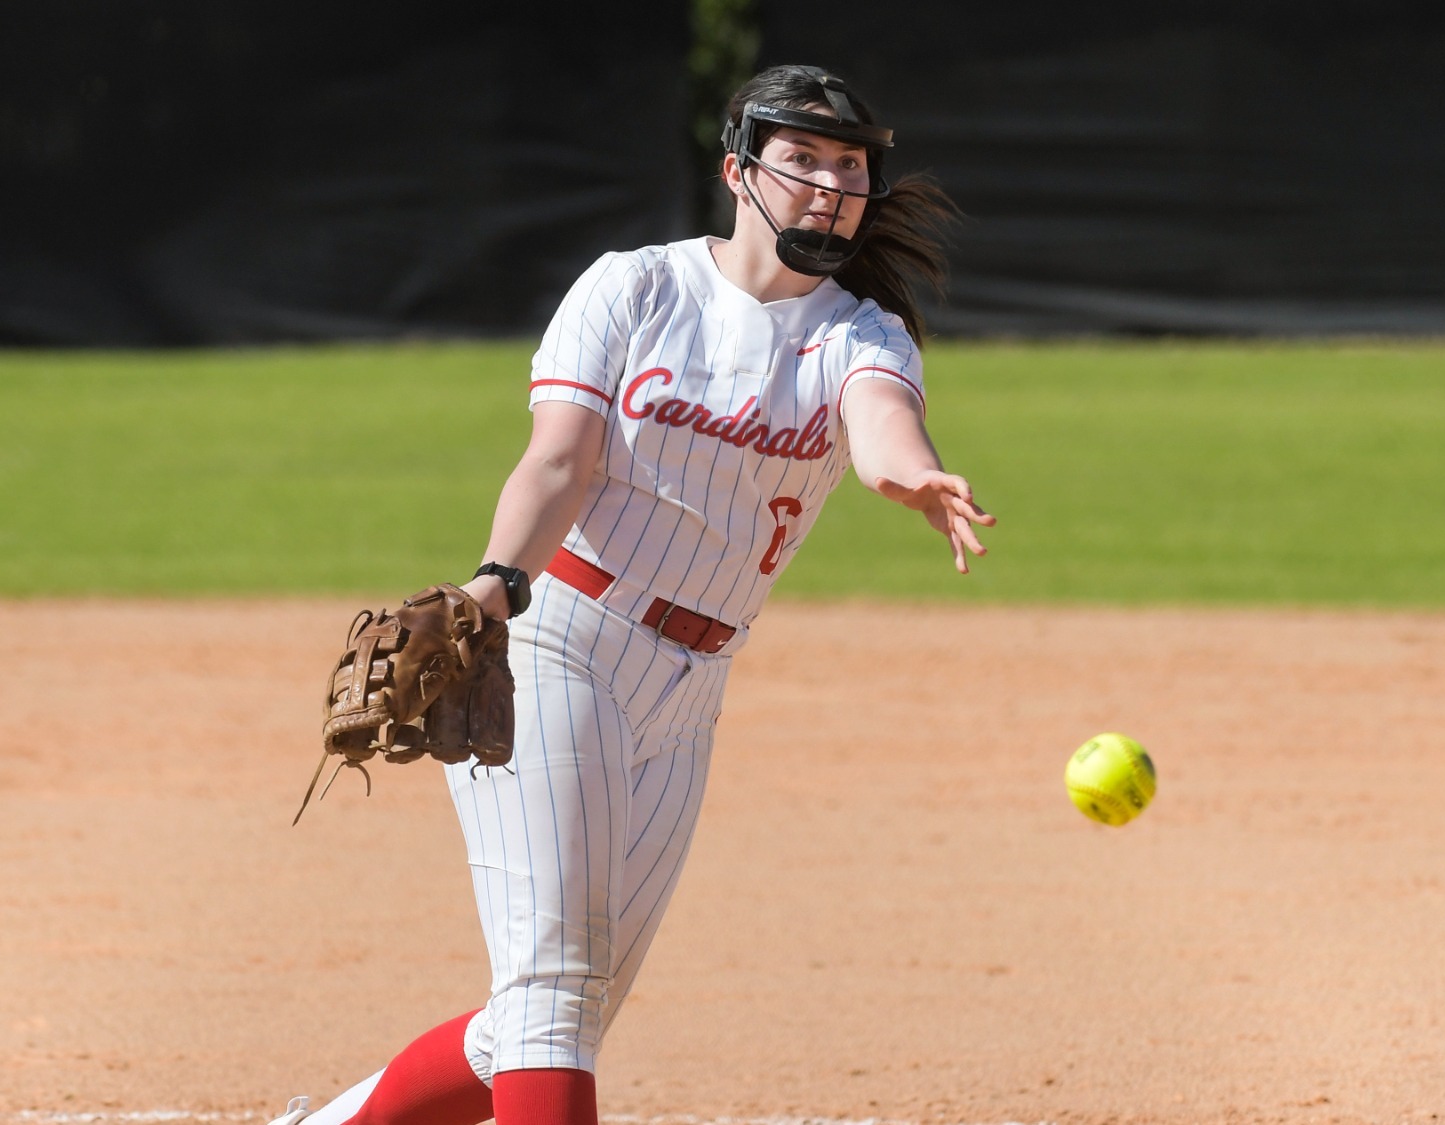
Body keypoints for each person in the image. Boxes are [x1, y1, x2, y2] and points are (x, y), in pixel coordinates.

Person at [269, 63, 993, 1125]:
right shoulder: (637, 289)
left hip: (689, 692)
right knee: (553, 992)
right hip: (562, 642)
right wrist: (494, 586)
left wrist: (910, 477)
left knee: (559, 1011)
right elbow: (558, 461)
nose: (830, 183)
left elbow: (882, 424)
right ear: (738, 171)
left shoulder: (861, 333)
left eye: (849, 165)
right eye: (801, 158)